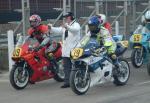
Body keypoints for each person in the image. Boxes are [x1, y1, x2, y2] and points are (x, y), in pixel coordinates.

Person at [48, 12, 81, 88]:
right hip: (66, 50)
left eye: (67, 17)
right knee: (66, 67)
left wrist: (67, 27)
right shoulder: (66, 25)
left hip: (74, 49)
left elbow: (74, 30)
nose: (66, 18)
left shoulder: (76, 25)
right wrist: (51, 28)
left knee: (76, 67)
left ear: (71, 17)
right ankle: (67, 82)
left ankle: (78, 81)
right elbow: (58, 30)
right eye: (65, 17)